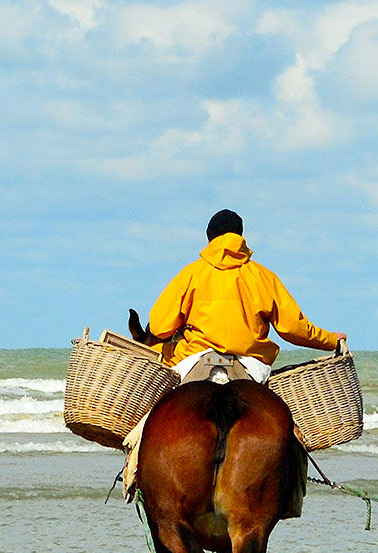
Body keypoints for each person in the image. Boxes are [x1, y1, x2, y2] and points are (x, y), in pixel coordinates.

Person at [121, 210, 344, 494]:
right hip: (250, 368)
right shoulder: (263, 276)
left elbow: (162, 326)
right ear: (241, 237)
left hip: (195, 363)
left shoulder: (192, 273)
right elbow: (294, 329)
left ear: (210, 239)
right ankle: (293, 494)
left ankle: (134, 475)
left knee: (149, 424)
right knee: (292, 437)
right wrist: (330, 340)